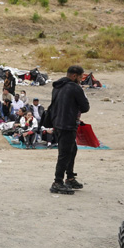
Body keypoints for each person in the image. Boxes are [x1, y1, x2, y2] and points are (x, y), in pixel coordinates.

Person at [49, 65, 90, 195]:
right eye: (80, 77)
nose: (81, 80)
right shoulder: (75, 88)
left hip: (57, 123)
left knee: (72, 150)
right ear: (74, 76)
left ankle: (70, 178)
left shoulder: (57, 85)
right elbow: (85, 107)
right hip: (68, 124)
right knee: (65, 153)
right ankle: (58, 182)